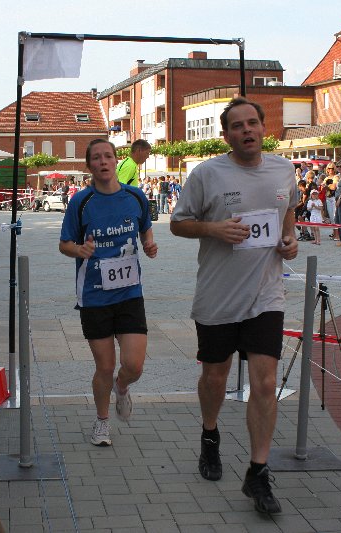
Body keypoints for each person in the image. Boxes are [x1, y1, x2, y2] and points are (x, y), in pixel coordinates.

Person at [170, 97, 297, 515]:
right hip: (218, 296)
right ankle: (210, 435)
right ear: (226, 135)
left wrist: (290, 240)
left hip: (266, 295)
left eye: (252, 123)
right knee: (215, 377)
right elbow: (178, 223)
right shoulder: (207, 174)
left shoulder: (284, 170)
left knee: (265, 382)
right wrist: (213, 229)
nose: (247, 130)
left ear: (263, 127)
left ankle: (258, 473)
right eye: (238, 126)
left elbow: (288, 214)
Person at [59, 139, 158, 447]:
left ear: (117, 160)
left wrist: (148, 243)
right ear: (89, 166)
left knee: (134, 366)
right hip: (94, 296)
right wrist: (79, 250)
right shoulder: (81, 202)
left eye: (108, 156)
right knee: (104, 366)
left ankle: (122, 387)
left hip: (129, 293)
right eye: (96, 158)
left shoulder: (135, 196)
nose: (103, 161)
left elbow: (145, 227)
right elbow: (64, 244)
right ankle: (102, 422)